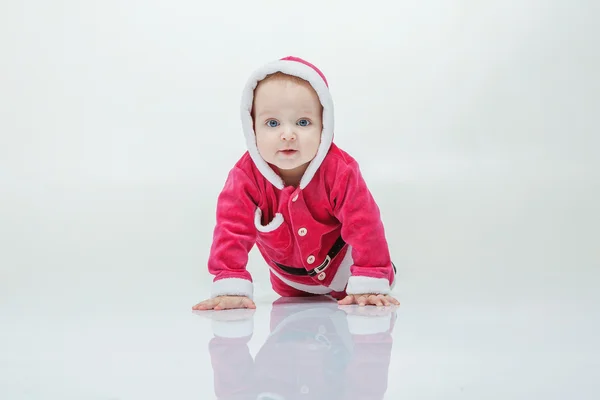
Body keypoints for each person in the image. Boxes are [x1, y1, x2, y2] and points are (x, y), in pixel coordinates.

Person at [192, 56, 400, 311]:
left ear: (324, 126)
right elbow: (232, 229)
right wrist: (229, 284)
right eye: (272, 123)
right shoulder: (245, 177)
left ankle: (381, 272)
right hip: (288, 282)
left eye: (303, 122)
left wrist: (370, 277)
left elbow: (364, 223)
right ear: (252, 128)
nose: (287, 134)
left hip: (344, 270)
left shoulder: (339, 171)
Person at [203, 296, 397, 399]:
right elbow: (366, 387)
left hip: (338, 270)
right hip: (293, 282)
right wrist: (231, 279)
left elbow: (233, 388)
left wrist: (371, 274)